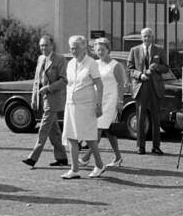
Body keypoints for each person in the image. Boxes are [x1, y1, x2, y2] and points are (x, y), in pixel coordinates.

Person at [61, 36, 106, 179]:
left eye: (76, 48)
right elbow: (69, 84)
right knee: (71, 137)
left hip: (86, 106)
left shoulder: (91, 63)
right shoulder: (70, 64)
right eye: (71, 48)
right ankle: (74, 169)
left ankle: (99, 165)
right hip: (71, 105)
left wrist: (99, 105)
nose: (73, 51)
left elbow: (99, 85)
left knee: (89, 137)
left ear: (84, 48)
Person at [23, 33, 68, 168]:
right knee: (54, 131)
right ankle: (62, 158)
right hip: (44, 99)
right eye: (41, 45)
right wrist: (34, 98)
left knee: (43, 129)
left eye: (46, 45)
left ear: (52, 45)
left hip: (54, 99)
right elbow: (37, 81)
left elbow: (64, 80)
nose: (43, 48)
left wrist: (49, 88)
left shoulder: (60, 59)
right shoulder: (41, 58)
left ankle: (33, 157)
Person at [82, 37, 127, 168]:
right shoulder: (94, 64)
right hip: (98, 100)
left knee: (99, 128)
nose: (100, 52)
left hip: (111, 101)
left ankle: (86, 157)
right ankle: (118, 157)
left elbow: (121, 84)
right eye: (98, 50)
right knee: (108, 130)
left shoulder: (115, 65)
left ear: (108, 50)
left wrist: (120, 101)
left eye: (102, 49)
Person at [128, 27, 168, 156]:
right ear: (141, 37)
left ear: (153, 37)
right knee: (140, 117)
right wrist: (140, 75)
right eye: (145, 36)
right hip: (141, 87)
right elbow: (130, 69)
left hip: (155, 87)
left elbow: (166, 68)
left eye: (149, 36)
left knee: (156, 118)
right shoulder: (134, 51)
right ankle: (141, 146)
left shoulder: (160, 50)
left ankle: (156, 146)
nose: (147, 38)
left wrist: (157, 67)